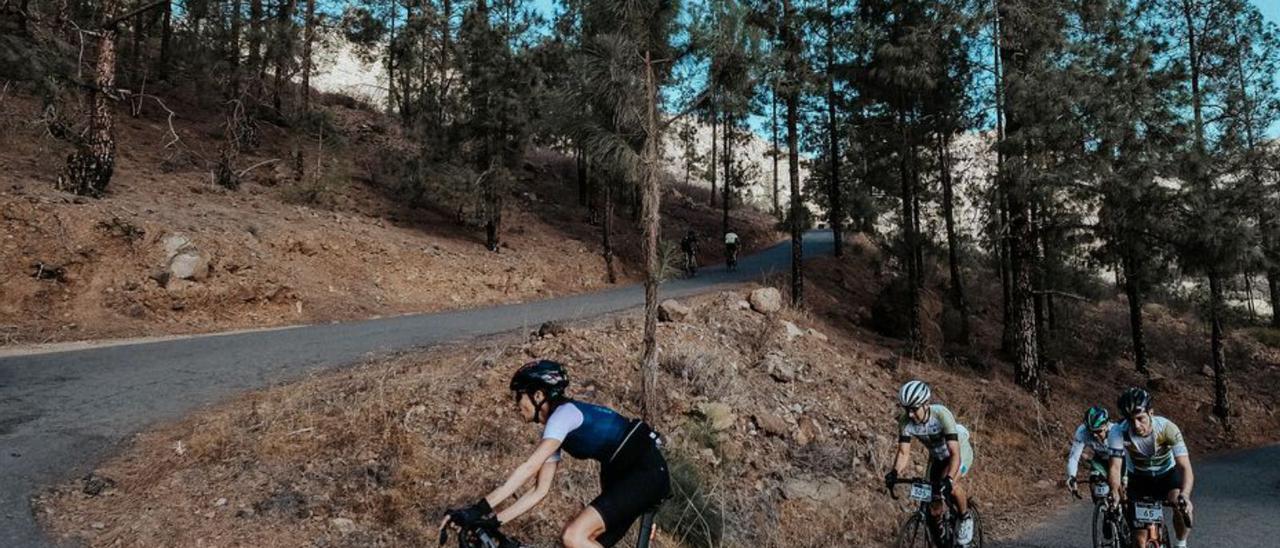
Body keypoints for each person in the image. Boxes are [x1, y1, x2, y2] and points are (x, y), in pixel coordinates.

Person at [440, 360, 670, 548]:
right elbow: (539, 490)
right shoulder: (558, 426)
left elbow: (529, 468)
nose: (516, 404)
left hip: (643, 474)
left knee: (573, 537)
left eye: (519, 395)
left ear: (538, 395)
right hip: (630, 477)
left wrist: (478, 509)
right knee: (581, 543)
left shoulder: (562, 416)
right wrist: (493, 522)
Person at [884, 380, 976, 545]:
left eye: (914, 408)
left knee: (952, 486)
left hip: (959, 451)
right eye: (906, 409)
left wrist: (948, 479)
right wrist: (894, 473)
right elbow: (904, 452)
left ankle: (965, 517)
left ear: (925, 404)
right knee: (933, 504)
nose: (910, 414)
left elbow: (955, 454)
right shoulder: (905, 422)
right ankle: (943, 537)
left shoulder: (941, 415)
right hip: (937, 457)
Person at [1107, 387, 1195, 548]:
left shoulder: (1167, 428)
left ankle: (1181, 543)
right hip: (1139, 478)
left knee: (1180, 506)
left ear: (1151, 413)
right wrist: (1114, 490)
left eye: (1141, 418)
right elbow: (1114, 467)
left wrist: (1186, 495)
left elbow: (1184, 466)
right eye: (1130, 420)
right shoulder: (1117, 431)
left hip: (1166, 475)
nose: (1136, 425)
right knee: (1139, 542)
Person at [1066, 405, 1121, 497]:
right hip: (1100, 458)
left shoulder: (1116, 431)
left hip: (1118, 459)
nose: (1094, 435)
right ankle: (1100, 504)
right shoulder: (1082, 432)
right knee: (1094, 479)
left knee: (1122, 486)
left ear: (1107, 425)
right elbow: (1074, 457)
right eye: (1091, 432)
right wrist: (1072, 477)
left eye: (1098, 431)